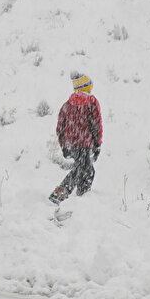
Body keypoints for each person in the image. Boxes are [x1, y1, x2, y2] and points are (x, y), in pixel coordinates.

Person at [50, 72, 102, 205]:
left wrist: (64, 146)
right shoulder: (91, 102)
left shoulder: (67, 105)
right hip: (85, 142)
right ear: (86, 87)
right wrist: (97, 144)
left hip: (71, 144)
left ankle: (81, 197)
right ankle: (63, 193)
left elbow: (60, 128)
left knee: (86, 170)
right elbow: (96, 125)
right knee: (83, 170)